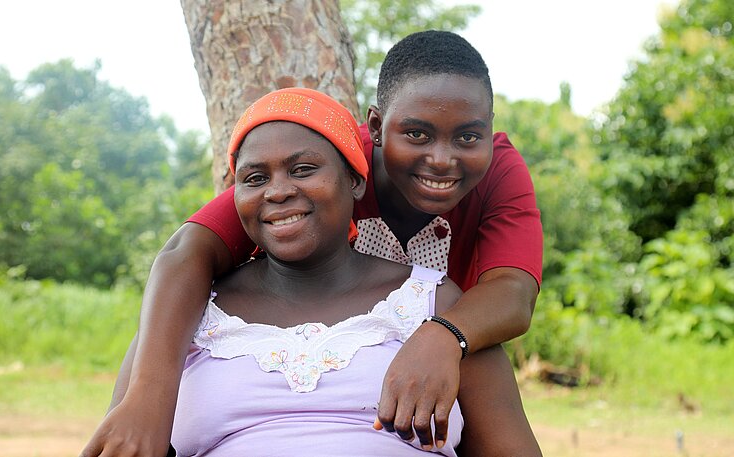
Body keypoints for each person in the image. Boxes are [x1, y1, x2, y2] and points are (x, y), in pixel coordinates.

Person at [81, 30, 543, 455]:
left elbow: (512, 292)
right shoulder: (327, 152)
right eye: (417, 133)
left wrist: (443, 335)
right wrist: (147, 400)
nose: (441, 159)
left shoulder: (442, 288)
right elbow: (188, 252)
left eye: (467, 136)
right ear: (376, 131)